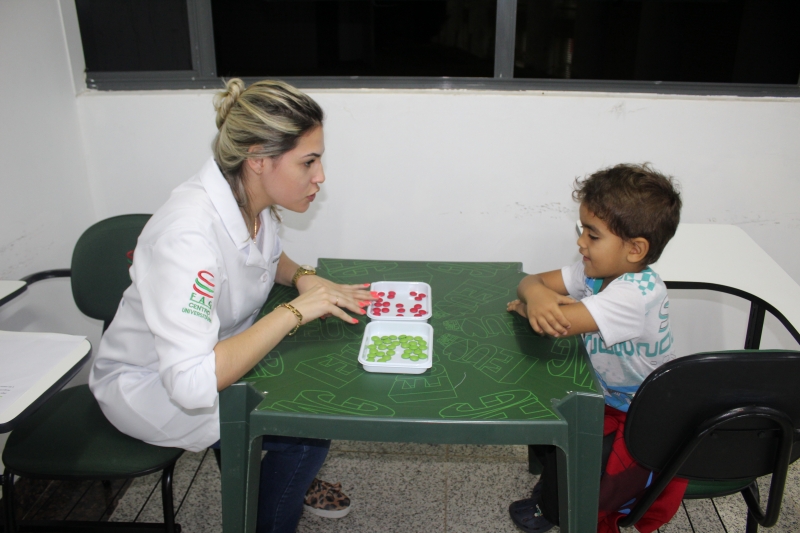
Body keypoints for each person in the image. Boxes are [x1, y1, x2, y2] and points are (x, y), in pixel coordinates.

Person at [89, 78, 375, 533]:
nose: (320, 176)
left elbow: (265, 255)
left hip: (219, 352)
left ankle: (263, 480)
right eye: (308, 161)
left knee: (295, 399)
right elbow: (191, 384)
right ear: (258, 159)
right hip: (153, 385)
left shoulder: (247, 197)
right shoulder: (187, 236)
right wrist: (294, 311)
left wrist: (305, 278)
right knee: (304, 433)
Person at [506, 163, 686, 533]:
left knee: (575, 464)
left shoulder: (635, 295)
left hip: (641, 414)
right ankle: (554, 489)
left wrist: (532, 305)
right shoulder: (594, 271)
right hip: (606, 394)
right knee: (543, 424)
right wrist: (536, 295)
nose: (580, 243)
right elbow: (530, 280)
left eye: (592, 234)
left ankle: (557, 509)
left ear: (634, 249)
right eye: (582, 230)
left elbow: (555, 323)